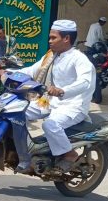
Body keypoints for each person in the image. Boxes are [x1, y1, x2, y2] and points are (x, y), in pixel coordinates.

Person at [16, 20, 95, 173]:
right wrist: (8, 73)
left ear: (66, 39)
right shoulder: (52, 56)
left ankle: (70, 154)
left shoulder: (79, 59)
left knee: (50, 125)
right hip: (50, 101)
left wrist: (62, 91)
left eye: (53, 38)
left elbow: (85, 82)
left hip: (73, 106)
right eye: (50, 37)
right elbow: (31, 71)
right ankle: (25, 150)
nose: (49, 41)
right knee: (17, 112)